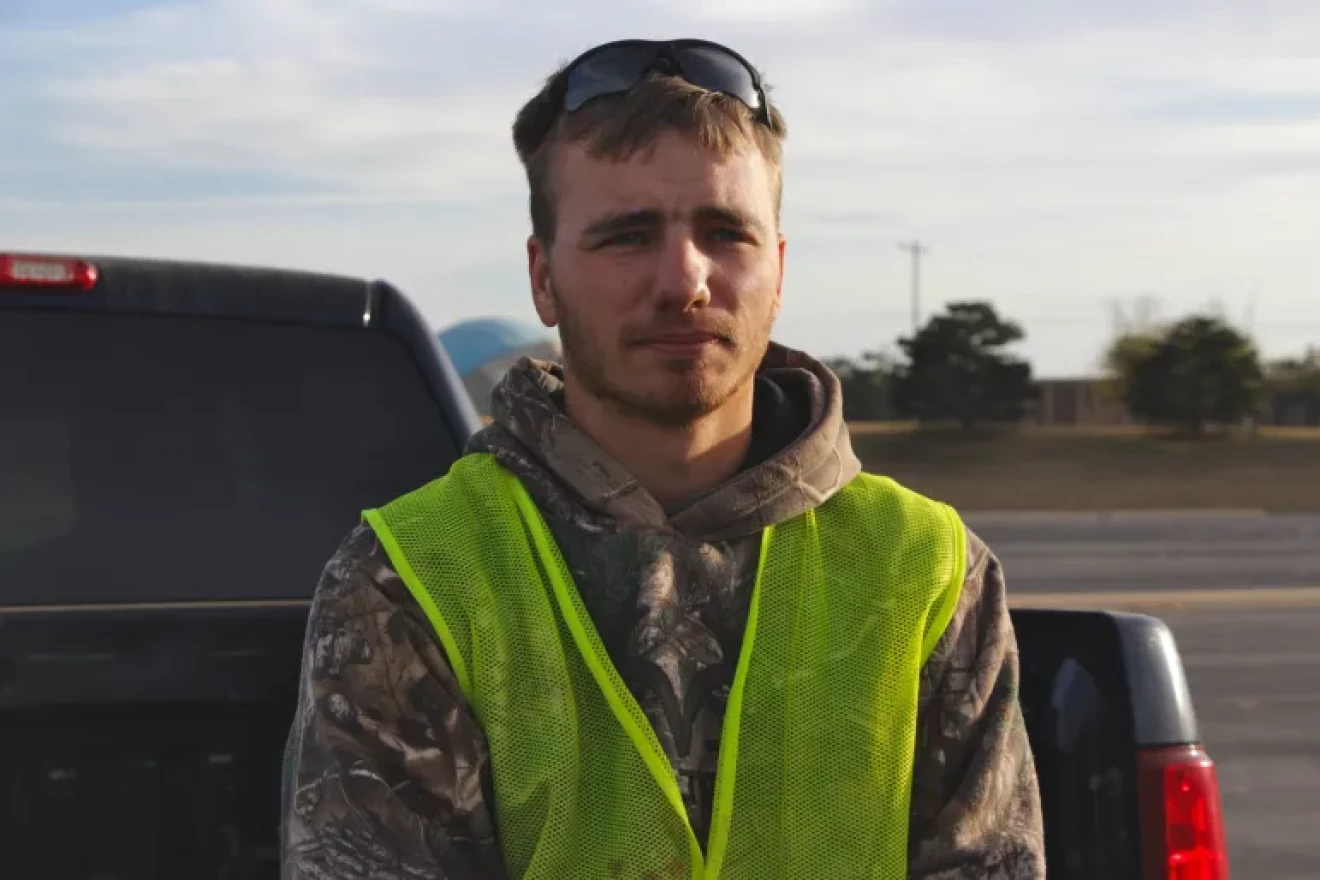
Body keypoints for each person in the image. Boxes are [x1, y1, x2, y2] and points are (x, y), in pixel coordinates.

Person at [280, 37, 1045, 879]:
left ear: (778, 270)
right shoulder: (412, 576)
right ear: (544, 278)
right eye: (626, 237)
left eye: (726, 233)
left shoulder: (930, 569)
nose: (685, 279)